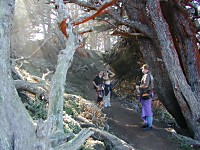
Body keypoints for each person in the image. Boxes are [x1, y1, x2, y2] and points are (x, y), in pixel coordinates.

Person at [137, 64, 154, 131]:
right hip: (147, 94)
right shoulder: (150, 75)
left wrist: (139, 87)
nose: (142, 70)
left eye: (143, 69)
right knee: (146, 109)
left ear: (146, 69)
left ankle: (149, 125)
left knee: (147, 110)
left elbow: (146, 85)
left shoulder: (147, 75)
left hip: (147, 94)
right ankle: (147, 123)